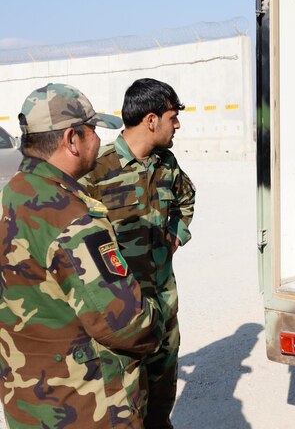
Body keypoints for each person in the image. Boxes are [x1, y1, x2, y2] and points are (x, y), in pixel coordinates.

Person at [0, 83, 165, 428]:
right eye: (92, 132)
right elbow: (124, 323)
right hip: (87, 408)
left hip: (26, 404)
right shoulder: (74, 218)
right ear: (72, 140)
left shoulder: (12, 195)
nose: (98, 142)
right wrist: (157, 321)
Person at [82, 78, 196, 429]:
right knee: (125, 403)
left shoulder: (166, 162)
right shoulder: (96, 170)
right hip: (121, 310)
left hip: (163, 301)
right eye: (173, 117)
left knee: (162, 395)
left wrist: (175, 234)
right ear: (151, 120)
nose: (177, 124)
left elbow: (186, 198)